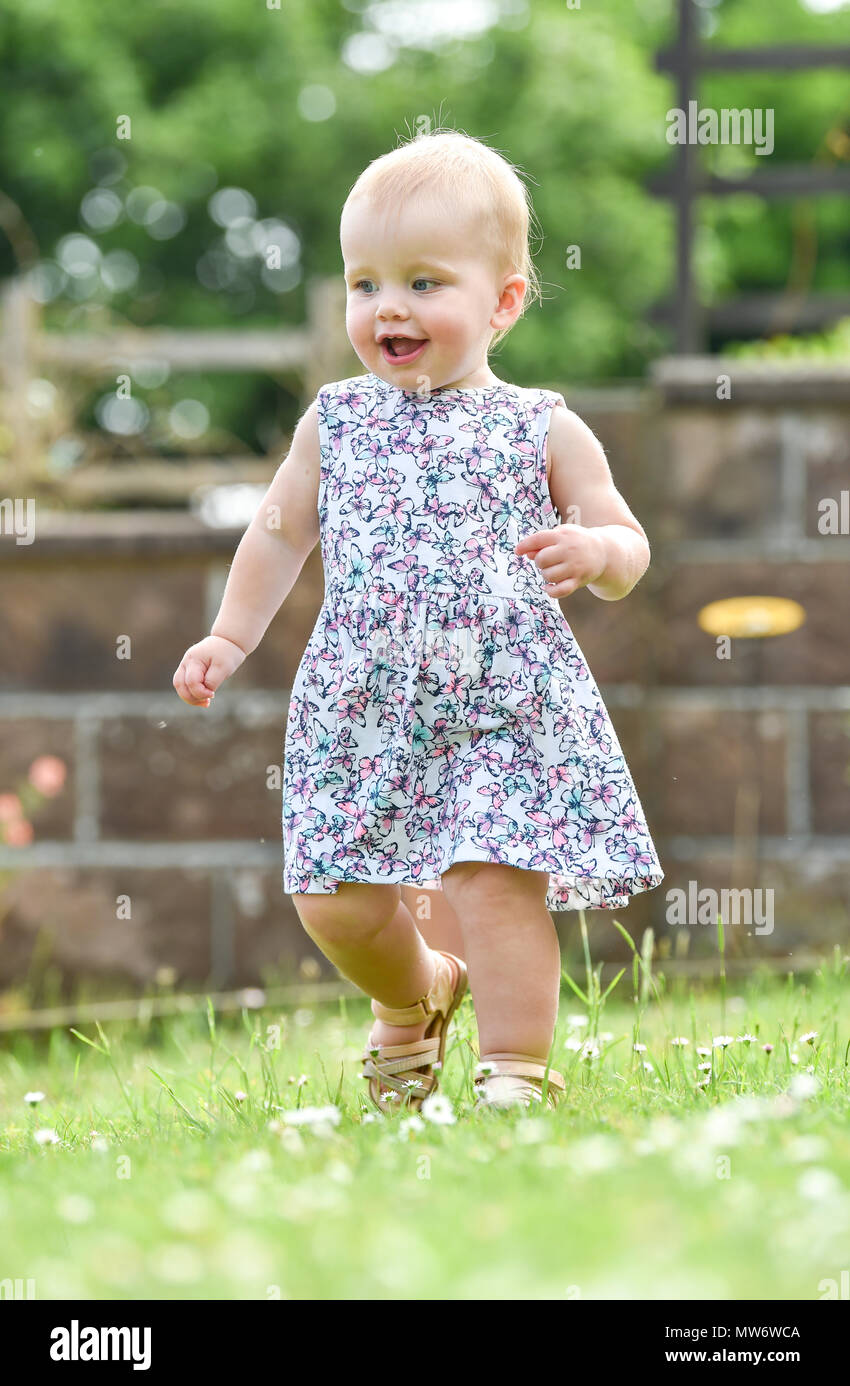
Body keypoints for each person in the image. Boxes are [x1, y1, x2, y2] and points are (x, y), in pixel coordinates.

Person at [173, 129, 664, 1116]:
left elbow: (625, 536)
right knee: (334, 898)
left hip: (501, 700)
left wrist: (600, 554)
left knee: (492, 879)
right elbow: (275, 534)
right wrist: (230, 634)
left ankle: (516, 1070)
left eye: (425, 282)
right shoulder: (336, 421)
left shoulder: (540, 424)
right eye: (365, 284)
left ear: (504, 301)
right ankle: (417, 993)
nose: (387, 306)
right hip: (363, 702)